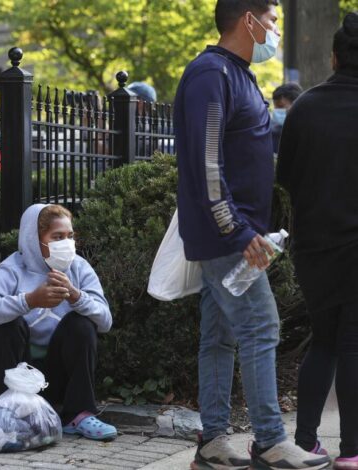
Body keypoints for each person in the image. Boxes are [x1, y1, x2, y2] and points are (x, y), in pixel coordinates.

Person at [174, 1, 331, 469]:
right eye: (273, 20)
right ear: (249, 19)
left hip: (234, 231)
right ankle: (268, 441)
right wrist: (239, 230)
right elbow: (207, 162)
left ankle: (213, 442)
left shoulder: (236, 74)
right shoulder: (210, 75)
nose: (275, 30)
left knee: (220, 334)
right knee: (261, 325)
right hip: (227, 235)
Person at [277, 12, 358, 469]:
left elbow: (285, 176)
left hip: (314, 245)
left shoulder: (305, 106)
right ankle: (351, 450)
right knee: (354, 344)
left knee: (324, 341)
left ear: (333, 56)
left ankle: (306, 440)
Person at [0, 204, 116, 441]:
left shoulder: (78, 267)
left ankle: (78, 415)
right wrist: (29, 300)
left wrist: (76, 296)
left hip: (58, 379)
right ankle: (6, 414)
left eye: (69, 236)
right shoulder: (14, 267)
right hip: (17, 377)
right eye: (57, 237)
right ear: (34, 239)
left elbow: (105, 321)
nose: (66, 243)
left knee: (82, 324)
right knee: (6, 325)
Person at [270, 82, 303, 154]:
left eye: (281, 107)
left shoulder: (306, 131)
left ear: (296, 104)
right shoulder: (272, 132)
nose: (277, 111)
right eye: (276, 107)